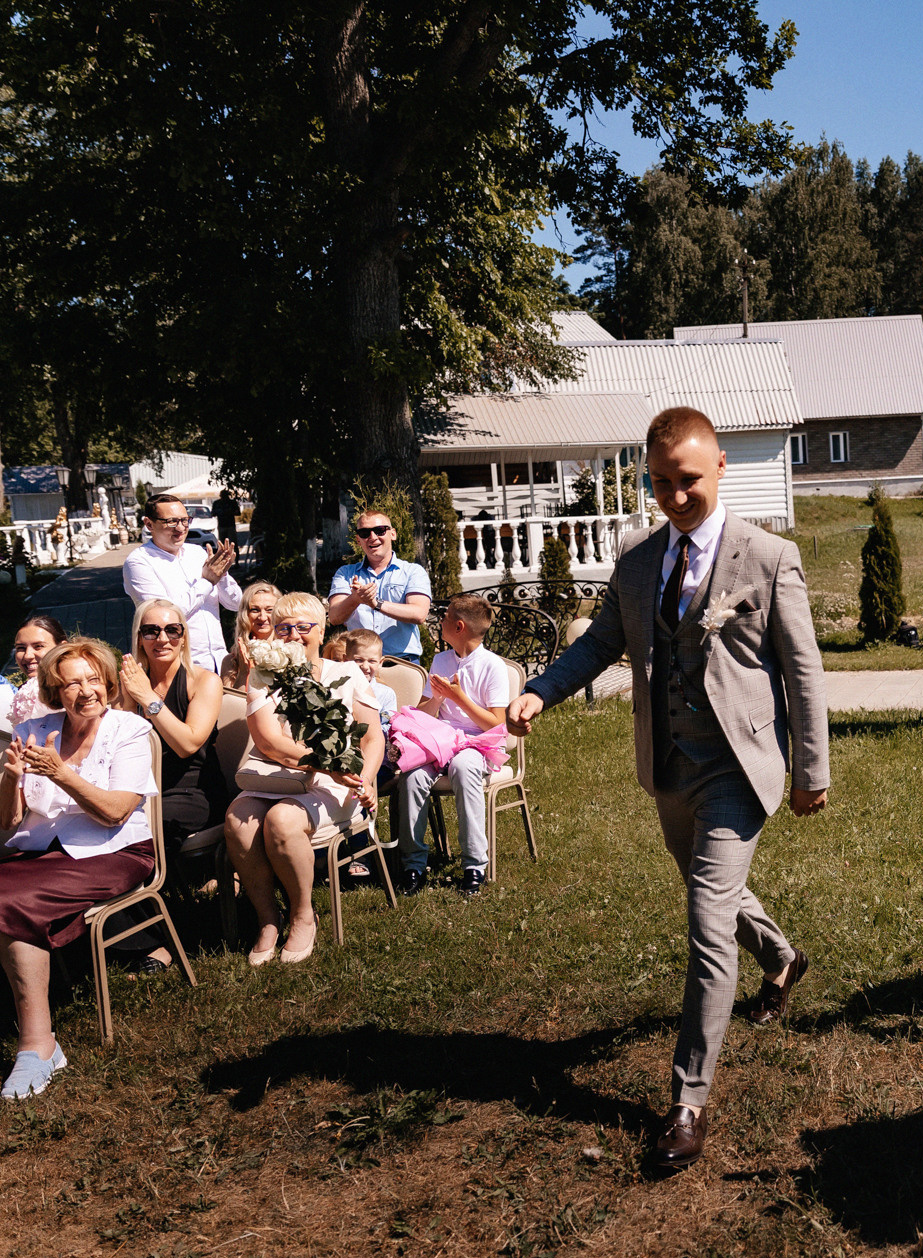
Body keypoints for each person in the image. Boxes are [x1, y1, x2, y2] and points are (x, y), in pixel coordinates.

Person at [508, 405, 829, 1172]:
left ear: (719, 464)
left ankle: (687, 1101)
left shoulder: (768, 557)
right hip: (669, 766)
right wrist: (540, 691)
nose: (675, 496)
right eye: (659, 483)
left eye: (687, 479)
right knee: (707, 887)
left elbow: (804, 670)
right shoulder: (637, 559)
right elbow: (599, 645)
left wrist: (813, 769)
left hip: (738, 768)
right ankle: (783, 958)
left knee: (704, 922)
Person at [0, 639, 158, 1100]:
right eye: (71, 683)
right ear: (53, 691)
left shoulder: (129, 730)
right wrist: (11, 778)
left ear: (107, 682)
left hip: (114, 851)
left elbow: (116, 813)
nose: (86, 691)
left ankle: (40, 1046)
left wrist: (61, 773)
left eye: (93, 679)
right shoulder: (33, 729)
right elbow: (7, 822)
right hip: (43, 854)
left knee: (13, 911)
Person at [223, 592, 385, 967]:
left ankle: (301, 914)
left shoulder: (345, 674)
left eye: (303, 627)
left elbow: (373, 736)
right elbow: (268, 741)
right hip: (276, 777)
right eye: (284, 628)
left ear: (322, 628)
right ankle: (267, 918)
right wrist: (323, 763)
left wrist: (367, 778)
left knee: (282, 820)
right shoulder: (262, 677)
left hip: (336, 783)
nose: (293, 635)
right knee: (237, 821)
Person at [115, 597, 231, 973]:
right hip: (141, 788)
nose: (161, 638)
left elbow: (187, 744)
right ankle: (124, 931)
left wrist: (146, 699)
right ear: (139, 637)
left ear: (183, 636)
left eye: (171, 629)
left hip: (194, 790)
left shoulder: (203, 681)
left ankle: (160, 943)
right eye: (150, 630)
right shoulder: (128, 684)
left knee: (143, 834)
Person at [396, 596, 510, 897]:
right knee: (413, 776)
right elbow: (423, 715)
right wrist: (438, 697)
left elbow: (496, 725)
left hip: (477, 744)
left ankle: (474, 865)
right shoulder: (441, 660)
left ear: (458, 626)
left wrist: (460, 698)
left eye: (445, 618)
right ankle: (412, 865)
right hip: (440, 741)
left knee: (463, 766)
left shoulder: (492, 666)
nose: (440, 622)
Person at [123, 493, 241, 674]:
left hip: (220, 661)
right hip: (180, 668)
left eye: (185, 520)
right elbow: (167, 615)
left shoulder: (198, 553)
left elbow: (236, 603)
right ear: (149, 524)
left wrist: (222, 574)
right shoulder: (139, 562)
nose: (180, 528)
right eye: (171, 521)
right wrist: (207, 581)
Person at [327, 510, 433, 662]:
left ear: (393, 534)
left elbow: (419, 614)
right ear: (358, 540)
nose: (372, 537)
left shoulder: (413, 571)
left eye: (379, 530)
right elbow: (335, 617)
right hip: (359, 664)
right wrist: (355, 599)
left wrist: (376, 604)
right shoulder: (345, 573)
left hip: (401, 662)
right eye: (364, 533)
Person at [323, 628, 398, 722]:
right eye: (358, 660)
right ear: (346, 660)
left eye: (372, 661)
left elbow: (389, 725)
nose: (365, 666)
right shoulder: (334, 688)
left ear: (380, 662)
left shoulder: (386, 694)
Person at [9, 614, 68, 729]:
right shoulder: (23, 692)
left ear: (61, 647)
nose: (27, 655)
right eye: (21, 648)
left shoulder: (77, 689)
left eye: (38, 646)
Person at [221, 581, 282, 690]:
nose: (262, 617)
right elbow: (230, 703)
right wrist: (244, 673)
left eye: (269, 610)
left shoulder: (290, 653)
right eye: (255, 610)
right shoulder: (231, 662)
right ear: (245, 614)